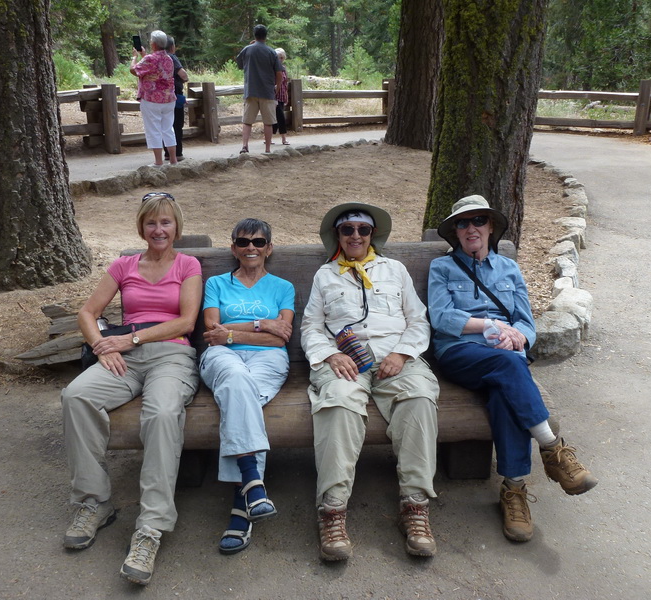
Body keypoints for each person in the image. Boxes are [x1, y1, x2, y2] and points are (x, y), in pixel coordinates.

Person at [427, 194, 598, 543]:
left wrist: (518, 336)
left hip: (507, 357)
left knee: (505, 391)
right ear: (455, 232)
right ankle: (552, 448)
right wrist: (491, 327)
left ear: (491, 227)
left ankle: (514, 490)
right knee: (508, 366)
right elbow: (442, 317)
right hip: (460, 352)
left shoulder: (508, 269)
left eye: (478, 221)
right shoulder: (441, 268)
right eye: (462, 223)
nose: (471, 228)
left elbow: (525, 321)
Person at [61, 192, 202, 585]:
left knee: (160, 414)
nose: (159, 230)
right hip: (123, 357)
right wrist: (100, 346)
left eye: (166, 222)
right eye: (152, 223)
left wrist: (131, 340)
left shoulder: (188, 264)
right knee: (77, 395)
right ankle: (94, 503)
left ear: (177, 228)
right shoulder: (124, 265)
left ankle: (150, 528)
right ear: (141, 227)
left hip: (170, 355)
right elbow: (87, 312)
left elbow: (187, 322)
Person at [300, 202, 440, 561]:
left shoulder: (395, 270)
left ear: (373, 234)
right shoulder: (325, 275)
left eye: (363, 229)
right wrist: (331, 355)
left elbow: (419, 320)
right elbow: (311, 327)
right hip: (346, 362)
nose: (356, 236)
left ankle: (415, 506)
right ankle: (332, 510)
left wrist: (403, 353)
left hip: (396, 359)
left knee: (419, 398)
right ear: (338, 236)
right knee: (339, 404)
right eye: (348, 230)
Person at [199, 218, 295, 554]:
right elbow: (211, 331)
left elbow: (281, 335)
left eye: (257, 242)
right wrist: (258, 324)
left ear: (269, 247)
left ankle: (247, 495)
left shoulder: (283, 287)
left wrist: (232, 331)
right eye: (242, 242)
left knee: (241, 394)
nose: (250, 247)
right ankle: (251, 487)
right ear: (233, 248)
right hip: (221, 358)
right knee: (239, 383)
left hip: (270, 360)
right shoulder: (216, 283)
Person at [130, 30, 178, 166]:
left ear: (154, 44)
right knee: (168, 128)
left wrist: (134, 57)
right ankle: (173, 159)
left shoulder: (150, 59)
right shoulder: (168, 58)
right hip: (168, 98)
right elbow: (155, 68)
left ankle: (158, 162)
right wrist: (143, 55)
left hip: (151, 99)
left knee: (153, 130)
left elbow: (134, 70)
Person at [235, 24, 283, 154]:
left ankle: (245, 146)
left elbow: (239, 63)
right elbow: (279, 73)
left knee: (247, 121)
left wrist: (250, 46)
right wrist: (277, 87)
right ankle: (267, 149)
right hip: (267, 91)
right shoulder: (271, 52)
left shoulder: (247, 49)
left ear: (255, 35)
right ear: (265, 36)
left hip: (251, 90)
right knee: (268, 122)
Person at [164, 36, 189, 161]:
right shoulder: (172, 57)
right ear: (172, 47)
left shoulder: (158, 58)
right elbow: (183, 74)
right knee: (177, 124)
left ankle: (167, 153)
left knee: (165, 125)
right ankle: (177, 153)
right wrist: (186, 78)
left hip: (161, 96)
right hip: (175, 95)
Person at [271, 48, 290, 146]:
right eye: (279, 57)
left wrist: (286, 96)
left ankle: (271, 137)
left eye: (282, 57)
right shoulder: (272, 68)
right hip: (274, 96)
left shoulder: (283, 68)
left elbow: (285, 84)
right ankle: (283, 138)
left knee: (277, 116)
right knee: (278, 116)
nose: (281, 59)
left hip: (282, 95)